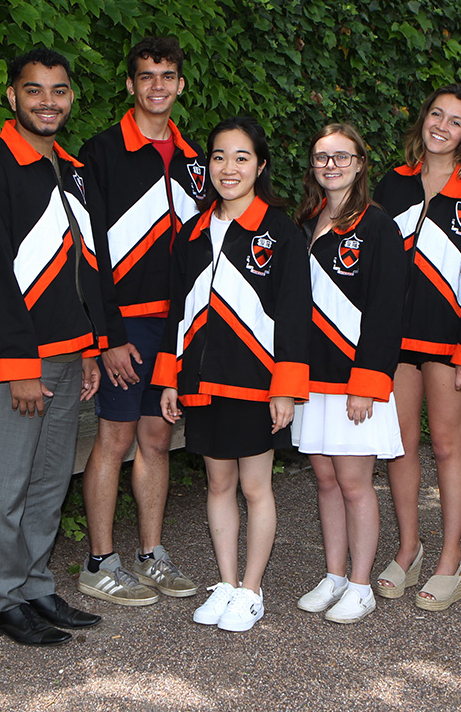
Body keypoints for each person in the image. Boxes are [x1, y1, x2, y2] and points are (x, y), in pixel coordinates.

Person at [0, 48, 108, 647]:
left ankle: (36, 584)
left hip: (72, 353)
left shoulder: (71, 168)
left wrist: (94, 346)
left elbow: (88, 265)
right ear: (12, 96)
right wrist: (18, 366)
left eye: (59, 90)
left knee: (50, 479)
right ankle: (1, 597)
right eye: (35, 90)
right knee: (7, 480)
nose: (48, 101)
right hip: (21, 359)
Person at [154, 117, 310, 633]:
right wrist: (170, 379)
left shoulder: (281, 231)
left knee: (255, 486)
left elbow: (293, 312)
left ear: (260, 165)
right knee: (218, 484)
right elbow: (176, 311)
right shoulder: (192, 234)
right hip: (201, 382)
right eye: (219, 156)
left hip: (258, 383)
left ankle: (251, 589)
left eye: (242, 157)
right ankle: (225, 584)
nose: (229, 168)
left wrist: (285, 388)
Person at [77, 37, 204, 607]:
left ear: (180, 85)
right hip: (125, 329)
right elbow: (88, 252)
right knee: (115, 438)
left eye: (168, 76)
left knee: (158, 437)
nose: (157, 85)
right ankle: (99, 562)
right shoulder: (98, 154)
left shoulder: (198, 163)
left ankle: (151, 555)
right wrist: (108, 337)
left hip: (175, 329)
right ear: (129, 85)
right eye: (146, 76)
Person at [374, 85, 461, 611]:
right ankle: (409, 549)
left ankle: (452, 557)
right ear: (423, 119)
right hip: (395, 340)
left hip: (451, 343)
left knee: (448, 445)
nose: (443, 126)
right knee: (401, 445)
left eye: (456, 121)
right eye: (436, 115)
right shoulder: (393, 182)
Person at [292, 124, 405, 624]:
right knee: (324, 479)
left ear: (361, 162)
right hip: (311, 376)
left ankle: (361, 585)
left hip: (354, 378)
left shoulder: (378, 226)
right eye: (322, 157)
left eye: (341, 156)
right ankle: (334, 574)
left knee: (355, 483)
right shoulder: (305, 221)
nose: (331, 164)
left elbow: (386, 311)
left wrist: (368, 380)